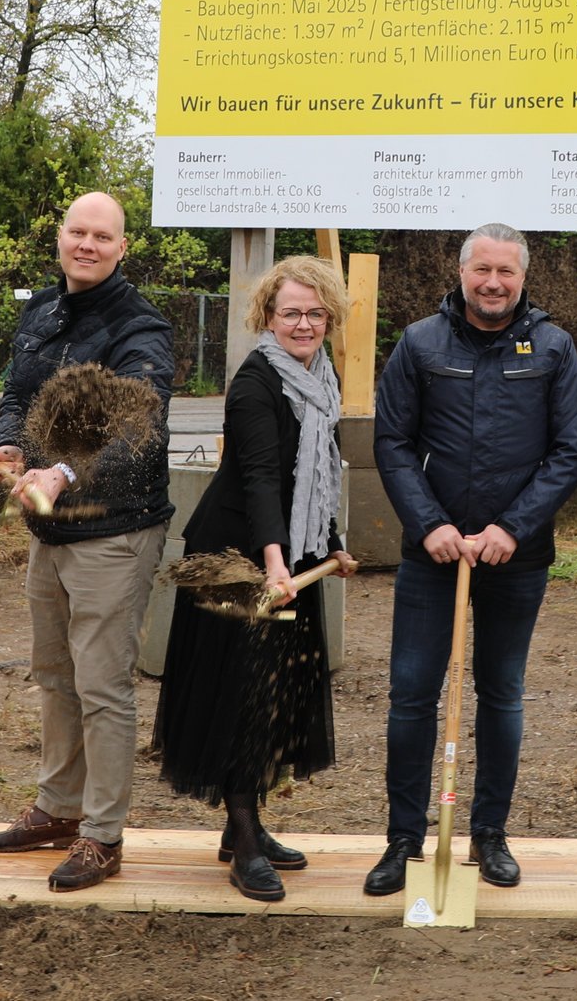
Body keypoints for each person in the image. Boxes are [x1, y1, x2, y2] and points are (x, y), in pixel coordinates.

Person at [363, 224, 577, 896]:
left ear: (524, 278)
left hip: (514, 559)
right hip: (431, 556)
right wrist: (429, 523)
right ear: (461, 273)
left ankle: (489, 834)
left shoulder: (552, 348)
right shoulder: (420, 343)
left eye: (506, 272)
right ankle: (403, 838)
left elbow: (569, 452)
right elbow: (393, 441)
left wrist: (511, 529)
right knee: (411, 694)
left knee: (501, 694)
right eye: (482, 270)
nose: (493, 283)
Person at [0, 192, 174, 893]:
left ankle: (102, 835)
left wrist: (61, 472)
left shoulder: (141, 328)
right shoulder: (40, 312)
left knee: (102, 685)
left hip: (114, 533)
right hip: (49, 529)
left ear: (123, 248)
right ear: (60, 238)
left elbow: (135, 427)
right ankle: (58, 809)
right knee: (55, 675)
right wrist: (7, 445)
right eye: (77, 232)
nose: (87, 245)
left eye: (103, 236)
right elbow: (15, 392)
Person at [153, 256, 359, 903]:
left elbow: (316, 477)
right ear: (268, 316)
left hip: (288, 553)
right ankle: (243, 842)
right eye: (291, 312)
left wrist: (333, 546)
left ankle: (248, 824)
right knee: (241, 695)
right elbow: (264, 477)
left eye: (315, 313)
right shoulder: (256, 382)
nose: (303, 323)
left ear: (330, 319)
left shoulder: (319, 379)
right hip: (239, 557)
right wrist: (274, 562)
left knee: (275, 695)